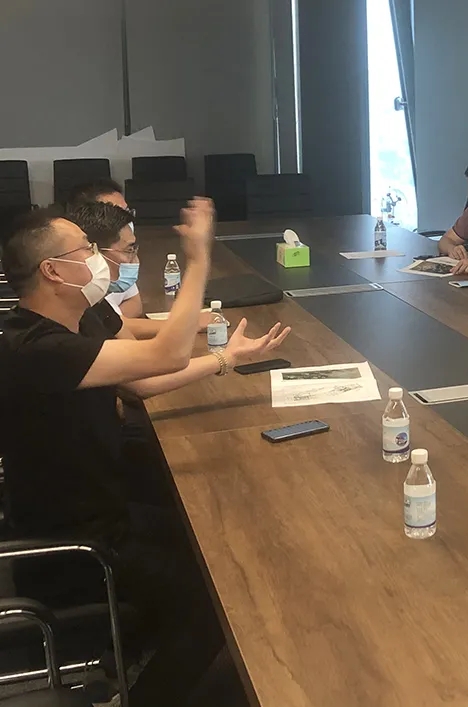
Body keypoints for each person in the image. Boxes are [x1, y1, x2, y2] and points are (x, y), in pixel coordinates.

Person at [0, 200, 287, 705]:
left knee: (218, 543)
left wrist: (225, 358)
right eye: (86, 249)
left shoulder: (79, 318)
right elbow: (166, 354)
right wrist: (197, 259)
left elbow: (142, 382)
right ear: (53, 271)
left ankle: (125, 659)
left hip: (106, 513)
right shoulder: (36, 349)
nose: (97, 257)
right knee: (221, 601)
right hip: (78, 544)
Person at [64, 201, 215, 338]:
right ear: (92, 252)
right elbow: (168, 355)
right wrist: (198, 259)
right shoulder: (62, 327)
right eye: (129, 250)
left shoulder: (98, 305)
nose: (135, 260)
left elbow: (146, 353)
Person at [64, 179, 145, 317]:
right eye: (114, 212)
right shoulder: (85, 283)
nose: (125, 218)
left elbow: (135, 304)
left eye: (126, 211)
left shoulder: (120, 263)